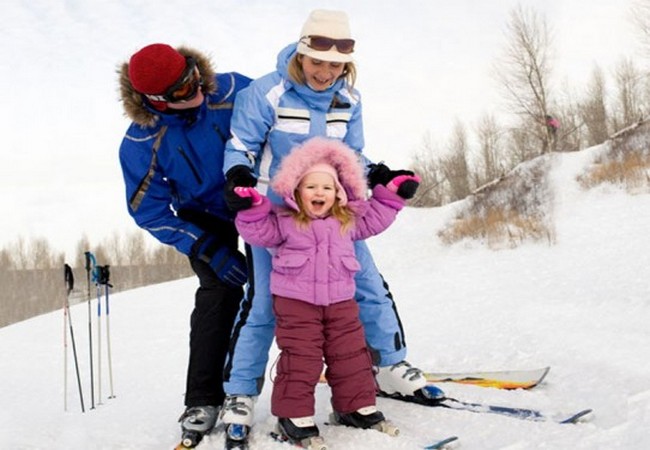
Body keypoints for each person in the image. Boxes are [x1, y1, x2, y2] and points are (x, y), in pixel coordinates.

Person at [219, 9, 442, 444]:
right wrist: (238, 181)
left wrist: (377, 176)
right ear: (301, 54)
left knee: (369, 289)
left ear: (347, 64)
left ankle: (389, 366)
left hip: (333, 215)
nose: (325, 72)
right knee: (264, 303)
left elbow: (353, 154)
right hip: (278, 218)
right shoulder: (266, 92)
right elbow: (241, 146)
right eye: (317, 61)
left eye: (335, 65)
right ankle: (241, 392)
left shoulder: (349, 99)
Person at [232, 137, 415, 444]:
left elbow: (377, 217)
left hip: (341, 301)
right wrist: (250, 208)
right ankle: (292, 415)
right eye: (312, 186)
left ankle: (355, 406)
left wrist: (393, 194)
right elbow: (256, 231)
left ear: (338, 193)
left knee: (351, 354)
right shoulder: (284, 221)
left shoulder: (347, 221)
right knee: (302, 357)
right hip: (296, 303)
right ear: (296, 191)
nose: (320, 192)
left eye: (327, 188)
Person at [117, 43, 251, 445]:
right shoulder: (142, 141)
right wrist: (203, 245)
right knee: (219, 289)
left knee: (286, 282)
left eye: (193, 78)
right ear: (154, 100)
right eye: (180, 91)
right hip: (203, 216)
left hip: (252, 195)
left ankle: (364, 364)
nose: (195, 91)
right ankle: (204, 398)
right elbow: (149, 211)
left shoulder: (232, 92)